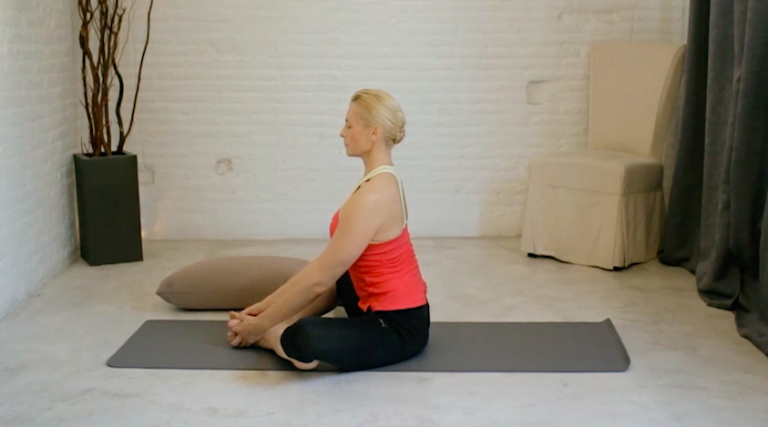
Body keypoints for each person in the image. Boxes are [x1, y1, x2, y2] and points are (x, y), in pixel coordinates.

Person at [226, 88, 430, 372]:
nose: (341, 133)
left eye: (349, 125)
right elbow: (322, 268)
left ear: (374, 132)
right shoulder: (377, 181)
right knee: (338, 273)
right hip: (370, 305)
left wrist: (258, 327)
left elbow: (319, 281)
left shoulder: (374, 195)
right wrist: (263, 309)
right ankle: (278, 324)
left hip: (398, 326)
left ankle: (274, 335)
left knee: (305, 336)